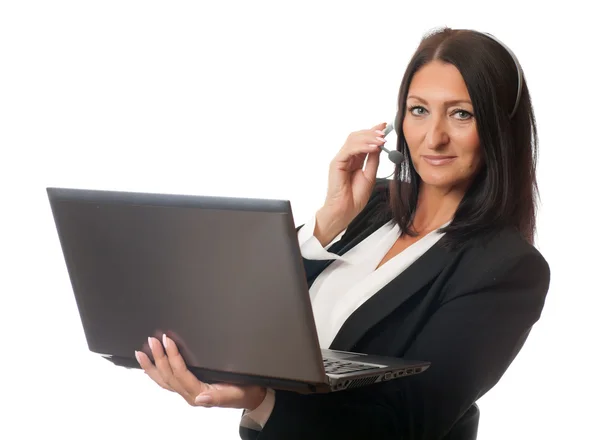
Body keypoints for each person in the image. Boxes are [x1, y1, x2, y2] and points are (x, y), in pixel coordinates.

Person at [134, 27, 550, 440]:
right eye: (419, 110)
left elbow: (403, 424)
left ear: (498, 129)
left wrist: (261, 399)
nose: (433, 137)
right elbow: (243, 308)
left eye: (462, 113)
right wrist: (328, 221)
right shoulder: (371, 204)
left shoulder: (507, 268)